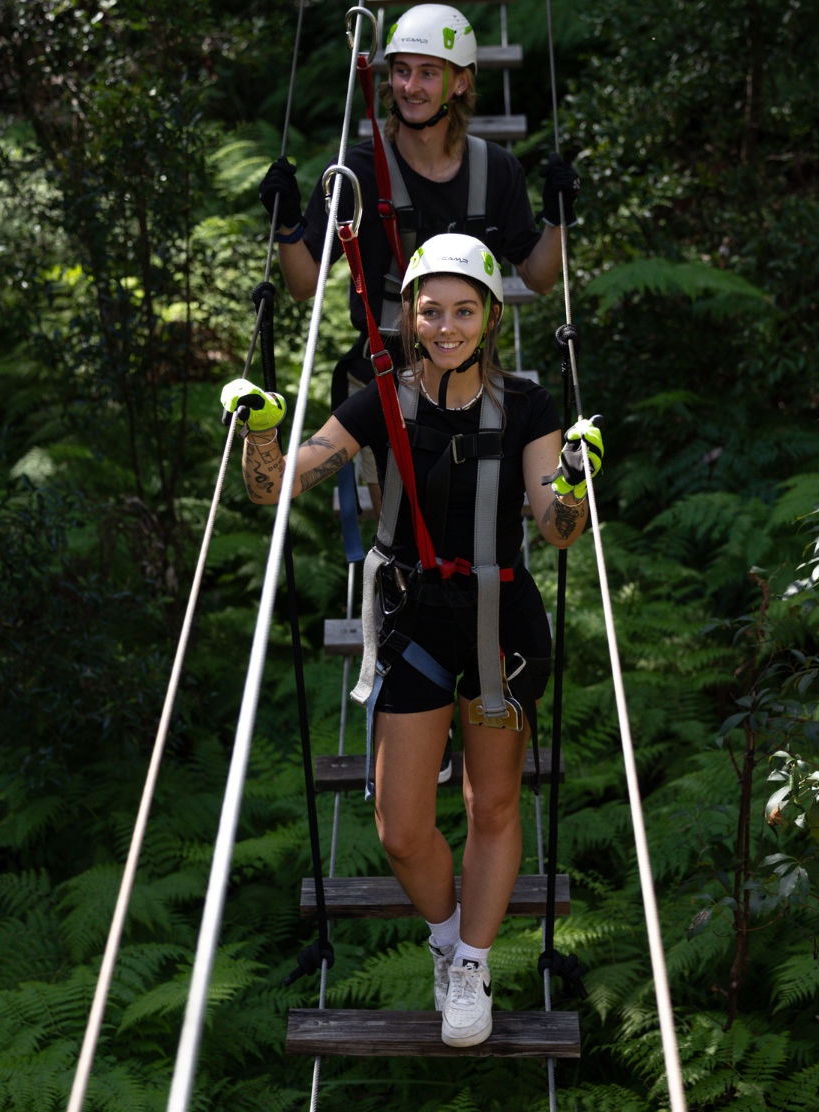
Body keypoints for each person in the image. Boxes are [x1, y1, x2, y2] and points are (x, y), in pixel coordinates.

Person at [220, 233, 603, 1048]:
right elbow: (279, 484)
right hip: (413, 619)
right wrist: (261, 430)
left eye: (465, 310)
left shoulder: (530, 407)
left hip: (500, 625)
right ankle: (444, 934)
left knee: (491, 802)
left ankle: (472, 961)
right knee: (400, 827)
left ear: (492, 318)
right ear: (410, 315)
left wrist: (572, 477)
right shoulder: (381, 399)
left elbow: (557, 526)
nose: (447, 326)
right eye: (432, 310)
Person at [257, 2, 582, 509]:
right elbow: (304, 285)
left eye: (428, 73)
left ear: (459, 83)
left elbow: (539, 278)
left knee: (474, 523)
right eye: (402, 72)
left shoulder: (496, 170)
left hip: (472, 379)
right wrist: (287, 224)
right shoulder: (357, 171)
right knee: (401, 528)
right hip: (383, 382)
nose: (410, 87)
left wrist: (558, 217)